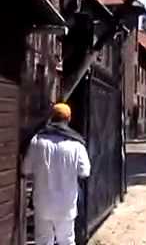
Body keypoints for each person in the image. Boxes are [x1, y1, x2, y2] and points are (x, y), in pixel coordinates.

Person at [23, 103, 91, 245]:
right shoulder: (76, 144)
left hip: (43, 203)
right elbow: (85, 172)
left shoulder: (37, 141)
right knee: (66, 240)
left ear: (51, 118)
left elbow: (25, 169)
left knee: (42, 240)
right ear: (69, 119)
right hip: (66, 205)